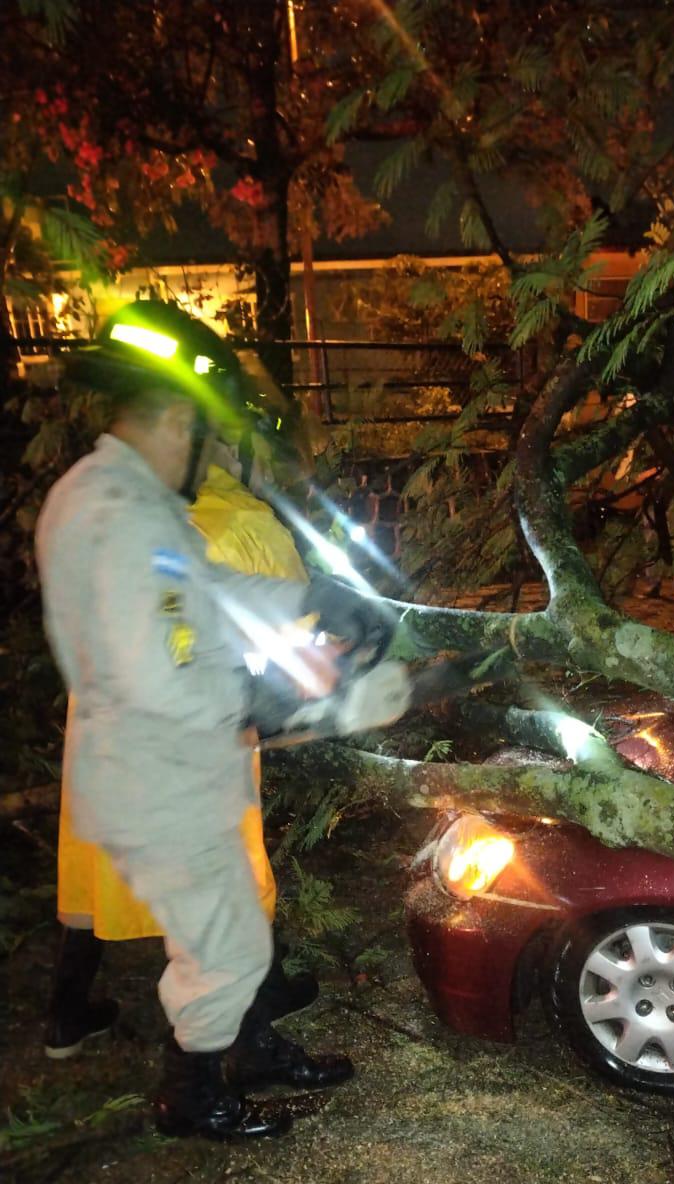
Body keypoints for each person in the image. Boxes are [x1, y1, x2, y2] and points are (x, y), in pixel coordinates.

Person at [36, 300, 407, 1141]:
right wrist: (262, 702)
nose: (213, 453)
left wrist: (316, 597)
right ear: (177, 417)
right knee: (229, 944)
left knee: (235, 920)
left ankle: (248, 1050)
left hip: (164, 763)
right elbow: (152, 671)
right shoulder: (120, 512)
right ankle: (192, 1097)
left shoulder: (120, 495)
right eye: (207, 433)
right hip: (159, 767)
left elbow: (207, 588)